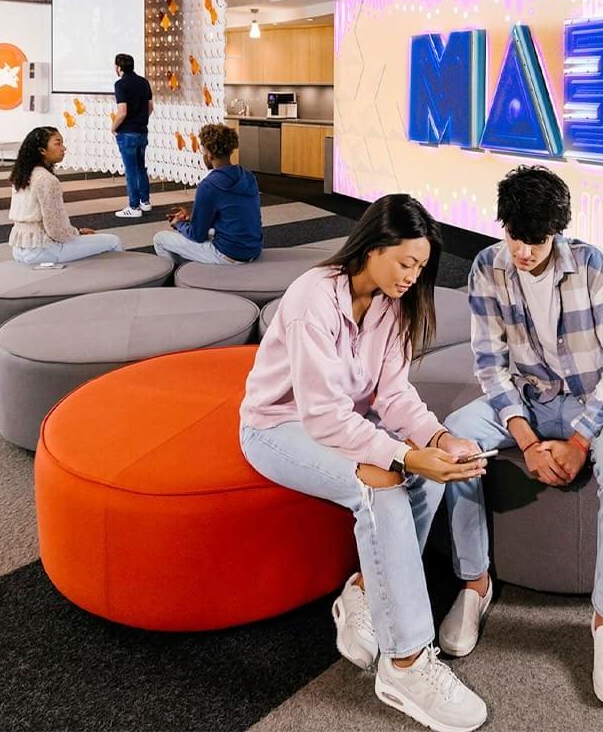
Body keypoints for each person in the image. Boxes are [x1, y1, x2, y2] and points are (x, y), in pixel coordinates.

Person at [239, 194, 489, 732]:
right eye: (405, 262)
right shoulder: (314, 299)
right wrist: (399, 454)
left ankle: (363, 591)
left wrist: (438, 437)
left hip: (336, 422)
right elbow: (322, 415)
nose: (412, 276)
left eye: (421, 267)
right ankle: (405, 662)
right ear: (373, 247)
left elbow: (393, 395)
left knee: (431, 482)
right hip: (278, 426)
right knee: (382, 487)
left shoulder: (391, 304)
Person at [441, 165, 603, 706]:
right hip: (528, 401)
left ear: (556, 231)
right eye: (513, 235)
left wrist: (581, 440)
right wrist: (527, 437)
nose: (522, 250)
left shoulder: (593, 267)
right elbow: (489, 364)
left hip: (599, 402)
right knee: (452, 441)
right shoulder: (487, 268)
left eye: (535, 240)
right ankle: (474, 583)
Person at [8, 126, 123, 265]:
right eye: (58, 144)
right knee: (113, 241)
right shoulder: (46, 179)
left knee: (89, 241)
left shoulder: (21, 175)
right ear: (42, 150)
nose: (63, 148)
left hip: (19, 250)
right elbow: (55, 229)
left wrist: (77, 232)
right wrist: (77, 234)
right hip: (43, 250)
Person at [152, 124, 262, 265]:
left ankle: (178, 277)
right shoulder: (248, 176)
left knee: (160, 239)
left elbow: (197, 235)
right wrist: (191, 219)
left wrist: (179, 224)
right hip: (253, 249)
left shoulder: (208, 185)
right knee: (201, 232)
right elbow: (233, 213)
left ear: (209, 154)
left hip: (228, 254)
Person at [111, 52, 153, 219]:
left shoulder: (120, 84)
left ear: (118, 67)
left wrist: (113, 128)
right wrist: (140, 121)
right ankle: (145, 202)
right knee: (141, 168)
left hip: (127, 133)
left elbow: (122, 112)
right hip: (142, 131)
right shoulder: (144, 82)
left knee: (130, 171)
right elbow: (150, 107)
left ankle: (134, 207)